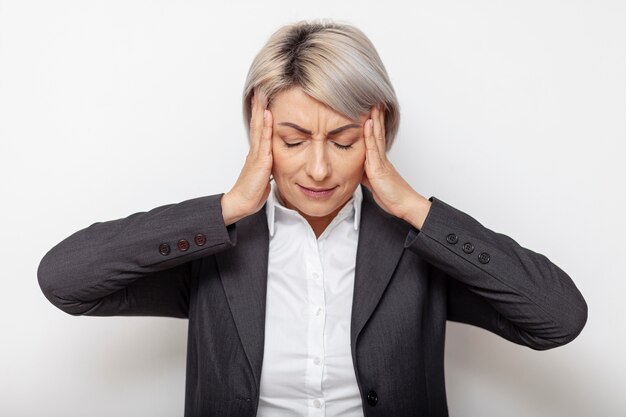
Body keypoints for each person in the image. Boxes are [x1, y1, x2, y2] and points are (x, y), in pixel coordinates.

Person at [38, 20, 587, 417]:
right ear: (260, 131)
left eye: (344, 140)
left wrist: (414, 208)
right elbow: (65, 279)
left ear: (379, 132)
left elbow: (559, 317)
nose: (319, 168)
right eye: (293, 140)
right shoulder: (215, 245)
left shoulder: (414, 246)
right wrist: (228, 207)